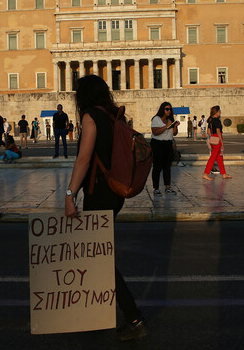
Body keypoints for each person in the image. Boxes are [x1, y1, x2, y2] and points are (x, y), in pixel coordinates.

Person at [64, 74, 147, 341]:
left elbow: (83, 160)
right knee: (95, 254)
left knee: (100, 257)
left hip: (98, 193)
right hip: (115, 192)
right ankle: (95, 312)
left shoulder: (91, 117)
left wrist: (69, 194)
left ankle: (134, 319)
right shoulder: (115, 116)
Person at [151, 102, 179, 195]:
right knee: (157, 167)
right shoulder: (156, 119)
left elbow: (174, 133)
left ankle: (168, 187)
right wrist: (167, 126)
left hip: (168, 144)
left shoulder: (170, 120)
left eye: (170, 109)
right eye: (167, 109)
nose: (169, 111)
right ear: (162, 109)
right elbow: (155, 132)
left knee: (167, 167)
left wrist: (174, 126)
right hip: (158, 144)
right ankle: (156, 188)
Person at [202, 105, 231, 180]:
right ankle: (206, 173)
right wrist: (222, 142)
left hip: (213, 139)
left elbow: (208, 131)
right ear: (217, 112)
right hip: (218, 138)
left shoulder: (211, 120)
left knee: (219, 157)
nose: (220, 112)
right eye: (219, 111)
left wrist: (212, 137)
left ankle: (224, 173)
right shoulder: (217, 120)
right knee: (213, 157)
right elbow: (218, 131)